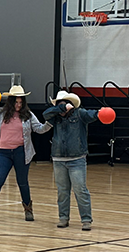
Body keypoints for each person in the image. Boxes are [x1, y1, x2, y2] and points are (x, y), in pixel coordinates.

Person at [0, 85, 52, 222]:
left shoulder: (28, 115)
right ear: (11, 101)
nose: (18, 105)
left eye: (21, 102)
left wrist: (50, 122)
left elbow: (39, 129)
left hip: (21, 152)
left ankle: (28, 210)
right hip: (3, 153)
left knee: (23, 183)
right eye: (16, 102)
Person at [42, 91, 99, 231]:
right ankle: (63, 218)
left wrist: (101, 113)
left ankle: (86, 219)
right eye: (58, 105)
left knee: (80, 190)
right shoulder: (54, 117)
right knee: (62, 191)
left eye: (64, 105)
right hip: (58, 158)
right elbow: (46, 114)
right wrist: (60, 108)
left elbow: (92, 115)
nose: (61, 109)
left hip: (77, 159)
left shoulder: (80, 114)